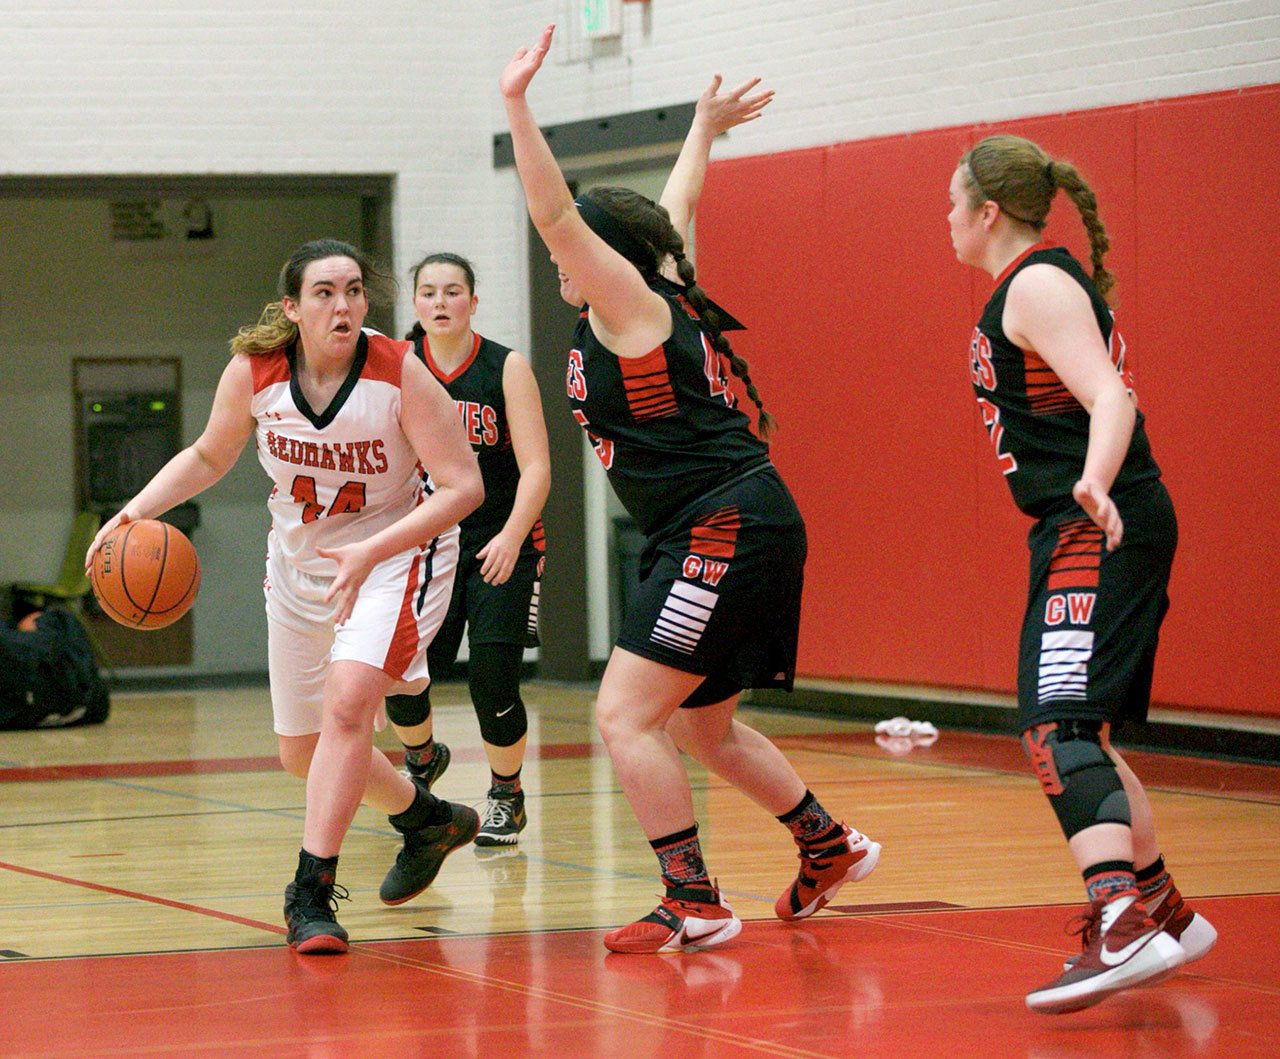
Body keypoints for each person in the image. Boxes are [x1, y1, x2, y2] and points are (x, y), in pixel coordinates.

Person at [501, 25, 881, 955]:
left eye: (586, 245)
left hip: (725, 523)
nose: (565, 257)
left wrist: (515, 106)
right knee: (705, 728)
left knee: (624, 713)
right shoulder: (659, 284)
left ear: (611, 253)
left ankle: (693, 897)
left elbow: (555, 218)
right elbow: (674, 205)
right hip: (733, 520)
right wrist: (701, 130)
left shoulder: (629, 307)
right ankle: (827, 845)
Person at [84, 239, 486, 954]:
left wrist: (371, 549)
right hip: (302, 565)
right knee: (303, 751)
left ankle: (310, 890)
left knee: (348, 705)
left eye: (355, 291)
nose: (344, 305)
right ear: (292, 308)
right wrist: (133, 512)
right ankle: (427, 818)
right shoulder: (257, 373)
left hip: (396, 553)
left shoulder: (401, 373)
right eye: (326, 292)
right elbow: (210, 454)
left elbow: (464, 487)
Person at [947, 134, 1216, 1013]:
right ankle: (1164, 911)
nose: (946, 220)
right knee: (1080, 733)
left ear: (989, 212)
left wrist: (1095, 477)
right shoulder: (1029, 286)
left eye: (954, 203)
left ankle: (1122, 919)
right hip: (1084, 522)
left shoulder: (1034, 282)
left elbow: (1112, 396)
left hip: (1095, 518)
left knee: (1054, 729)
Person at [385, 251, 550, 848]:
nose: (440, 302)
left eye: (452, 292)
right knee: (401, 671)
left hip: (499, 544)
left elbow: (536, 467)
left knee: (492, 679)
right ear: (415, 305)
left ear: (473, 302)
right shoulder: (401, 368)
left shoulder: (506, 368)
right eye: (428, 292)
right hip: (428, 545)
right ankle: (424, 758)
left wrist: (511, 535)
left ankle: (506, 796)